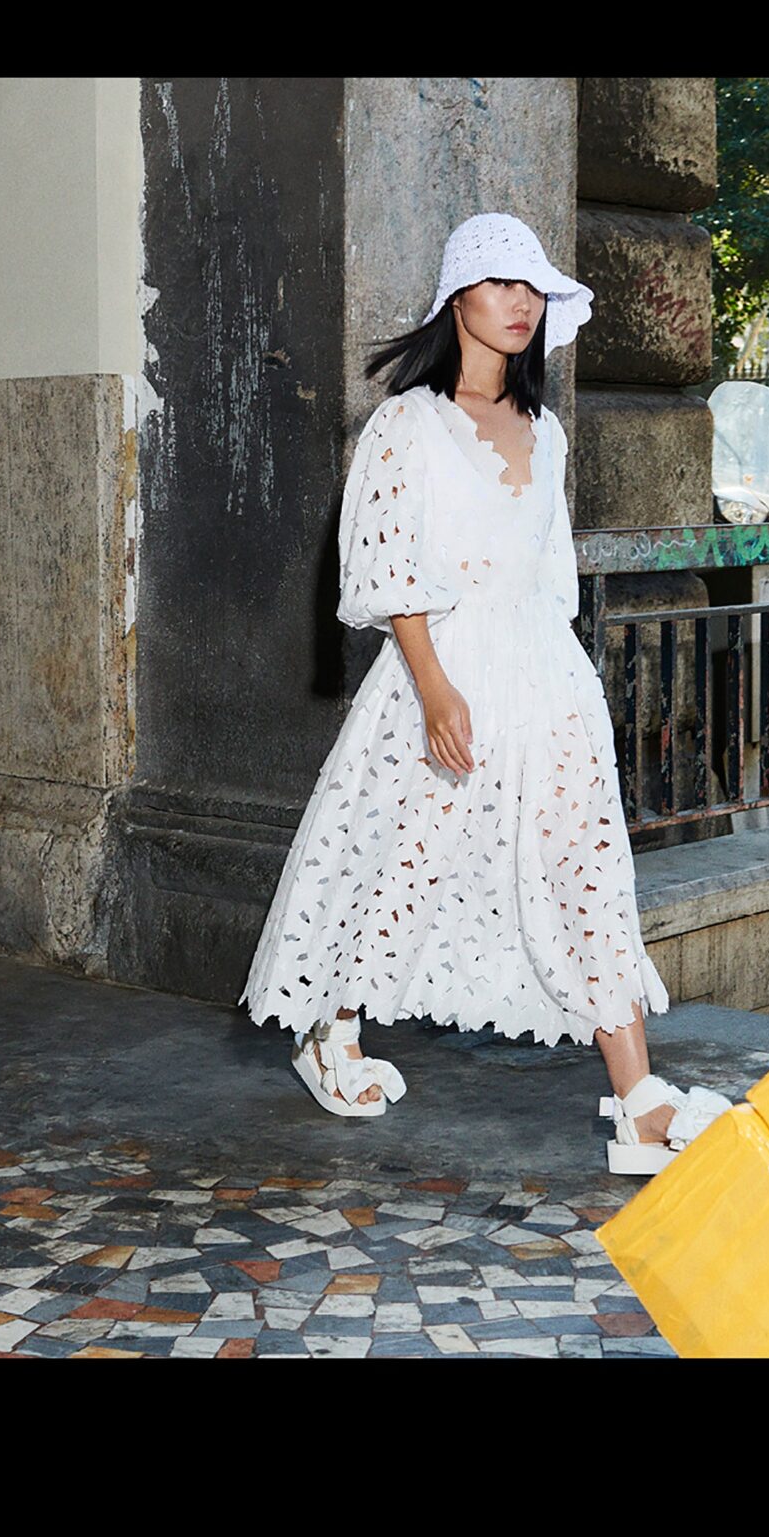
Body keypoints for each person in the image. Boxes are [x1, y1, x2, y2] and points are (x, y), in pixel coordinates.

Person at [239, 212, 726, 1177]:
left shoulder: (545, 429)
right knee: (397, 858)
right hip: (443, 669)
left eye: (533, 286)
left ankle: (638, 1102)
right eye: (501, 283)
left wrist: (563, 689)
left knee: (588, 872)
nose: (519, 302)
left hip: (543, 676)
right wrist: (434, 690)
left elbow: (549, 573)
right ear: (457, 296)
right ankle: (332, 1029)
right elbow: (386, 568)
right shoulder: (406, 424)